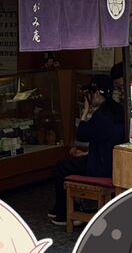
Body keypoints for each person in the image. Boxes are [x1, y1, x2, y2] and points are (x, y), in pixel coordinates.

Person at [48, 75, 126, 226]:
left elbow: (81, 134)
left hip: (100, 167)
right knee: (71, 164)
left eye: (90, 93)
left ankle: (65, 212)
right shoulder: (118, 110)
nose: (89, 97)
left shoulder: (101, 115)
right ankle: (62, 208)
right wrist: (86, 153)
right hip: (112, 162)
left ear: (96, 93)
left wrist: (85, 112)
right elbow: (105, 141)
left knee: (60, 167)